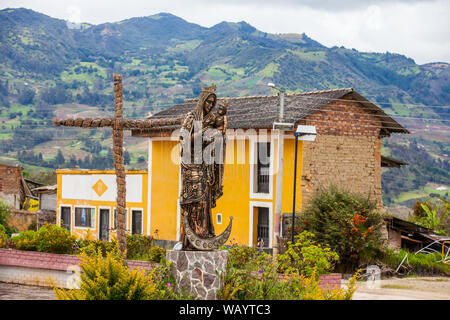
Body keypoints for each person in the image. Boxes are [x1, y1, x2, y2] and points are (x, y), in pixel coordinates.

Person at [179, 85, 226, 249]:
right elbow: (183, 137)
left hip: (206, 163)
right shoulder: (191, 117)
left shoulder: (213, 118)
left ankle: (205, 231)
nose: (209, 105)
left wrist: (218, 133)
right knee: (195, 199)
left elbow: (219, 135)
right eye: (208, 102)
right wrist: (202, 134)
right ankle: (192, 234)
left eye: (212, 103)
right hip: (191, 164)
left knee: (205, 198)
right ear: (202, 101)